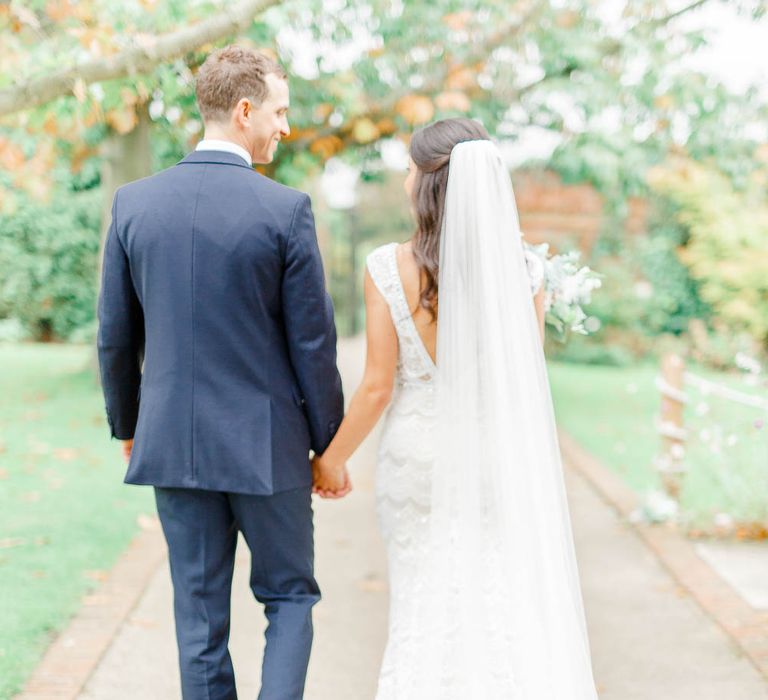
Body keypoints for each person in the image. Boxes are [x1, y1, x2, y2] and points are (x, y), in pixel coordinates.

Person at [312, 118, 599, 698]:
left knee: (422, 598)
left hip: (417, 460)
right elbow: (522, 382)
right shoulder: (525, 272)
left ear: (427, 183)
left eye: (412, 168)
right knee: (496, 594)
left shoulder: (388, 268)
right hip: (494, 458)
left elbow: (376, 388)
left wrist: (332, 460)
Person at [97, 45, 347, 700]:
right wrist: (328, 443)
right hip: (270, 447)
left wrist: (129, 424)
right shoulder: (284, 210)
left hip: (173, 443)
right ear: (244, 111)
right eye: (280, 111)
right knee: (289, 596)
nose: (285, 127)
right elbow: (314, 343)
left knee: (199, 616)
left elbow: (116, 339)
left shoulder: (134, 203)